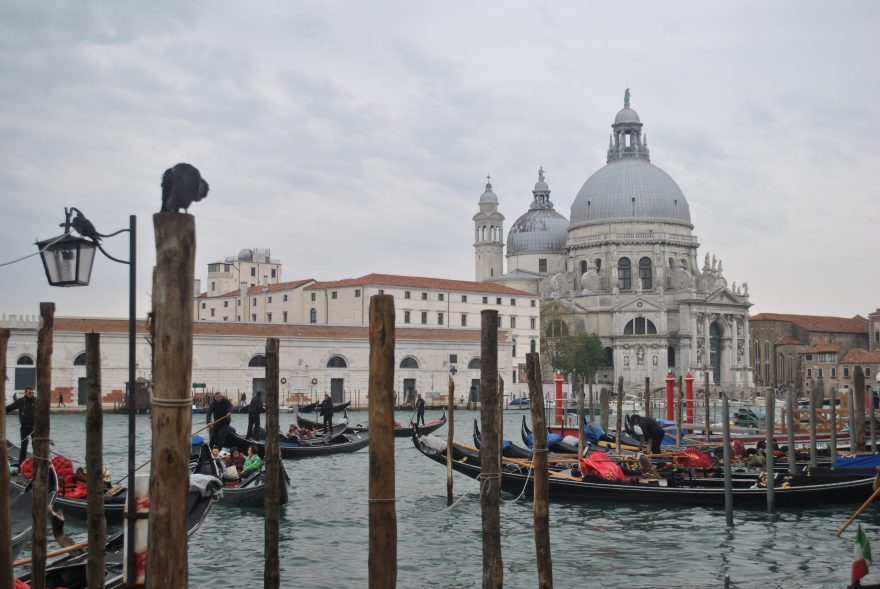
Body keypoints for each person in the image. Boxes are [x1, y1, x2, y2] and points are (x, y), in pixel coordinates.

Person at [6, 386, 36, 465]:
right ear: (25, 393)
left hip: (34, 427)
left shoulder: (36, 401)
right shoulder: (20, 401)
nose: (31, 394)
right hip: (24, 427)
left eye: (32, 393)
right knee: (24, 446)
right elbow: (9, 408)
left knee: (36, 445)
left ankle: (37, 462)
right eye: (29, 393)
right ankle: (21, 464)